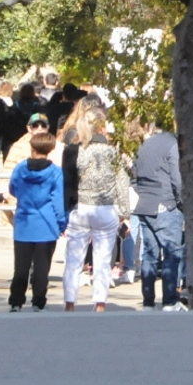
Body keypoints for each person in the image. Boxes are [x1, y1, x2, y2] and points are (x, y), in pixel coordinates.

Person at [62, 110, 130, 313]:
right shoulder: (113, 153)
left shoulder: (76, 150)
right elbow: (122, 183)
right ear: (102, 128)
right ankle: (100, 302)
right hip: (105, 208)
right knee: (102, 258)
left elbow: (67, 181)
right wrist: (124, 213)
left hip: (80, 207)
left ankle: (70, 302)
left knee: (74, 257)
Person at [6, 131, 65, 312]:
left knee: (21, 267)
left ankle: (16, 302)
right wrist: (62, 222)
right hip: (46, 225)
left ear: (32, 147)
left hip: (24, 223)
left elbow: (13, 189)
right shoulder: (55, 172)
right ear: (51, 149)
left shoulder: (20, 168)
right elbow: (58, 201)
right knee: (41, 268)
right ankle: (38, 302)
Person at [132, 117, 185, 311]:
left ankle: (148, 301)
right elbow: (177, 180)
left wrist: (143, 193)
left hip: (145, 203)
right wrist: (181, 203)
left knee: (149, 254)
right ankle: (170, 301)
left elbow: (134, 174)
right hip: (166, 204)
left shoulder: (146, 144)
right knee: (172, 252)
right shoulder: (173, 146)